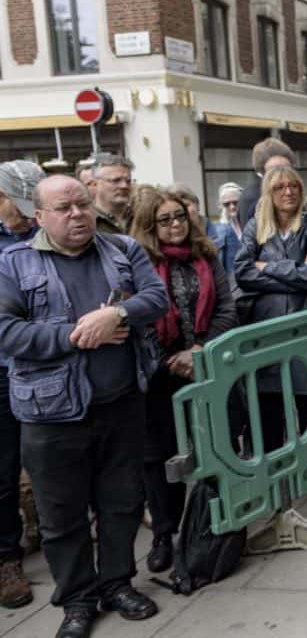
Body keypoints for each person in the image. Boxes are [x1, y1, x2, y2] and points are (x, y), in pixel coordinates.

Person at [0, 175, 169, 638]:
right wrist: (77, 334)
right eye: (64, 208)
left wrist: (116, 314)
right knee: (61, 517)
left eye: (81, 204)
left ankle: (117, 583)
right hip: (51, 417)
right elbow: (6, 332)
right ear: (40, 217)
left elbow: (156, 298)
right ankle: (77, 599)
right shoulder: (12, 263)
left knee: (121, 505)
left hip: (120, 405)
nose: (77, 214)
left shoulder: (121, 250)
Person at [129, 190, 238, 574]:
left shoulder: (205, 254)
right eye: (165, 219)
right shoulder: (136, 262)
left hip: (205, 368)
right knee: (159, 459)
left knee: (214, 446)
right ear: (149, 226)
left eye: (179, 216)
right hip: (158, 376)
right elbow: (135, 319)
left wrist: (199, 351)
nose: (176, 224)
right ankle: (163, 534)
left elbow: (227, 308)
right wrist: (168, 361)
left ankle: (215, 524)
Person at [233, 165, 307, 503]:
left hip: (305, 325)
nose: (289, 192)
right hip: (266, 328)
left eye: (294, 186)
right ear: (269, 193)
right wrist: (296, 270)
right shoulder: (255, 224)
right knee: (269, 407)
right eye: (280, 188)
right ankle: (273, 479)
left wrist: (269, 267)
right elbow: (243, 272)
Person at [0, 161, 42, 610]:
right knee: (3, 469)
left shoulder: (41, 233)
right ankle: (6, 558)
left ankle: (54, 534)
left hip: (47, 361)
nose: (31, 214)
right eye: (23, 206)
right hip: (2, 366)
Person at [237, 138, 296, 226]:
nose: (284, 174)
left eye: (288, 169)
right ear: (262, 170)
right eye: (276, 169)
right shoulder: (254, 197)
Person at [91, 152, 135, 233]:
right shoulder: (87, 220)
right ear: (95, 184)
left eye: (128, 181)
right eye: (116, 180)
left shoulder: (141, 215)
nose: (124, 186)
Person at [215, 182, 244, 275]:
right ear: (221, 206)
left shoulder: (250, 223)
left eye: (235, 202)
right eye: (227, 204)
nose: (232, 207)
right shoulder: (218, 231)